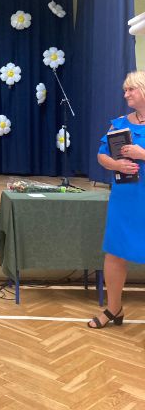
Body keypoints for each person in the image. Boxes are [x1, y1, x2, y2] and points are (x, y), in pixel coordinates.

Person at [88, 71, 145, 328]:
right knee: (114, 254)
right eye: (125, 90)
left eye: (130, 89)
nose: (126, 94)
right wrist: (117, 164)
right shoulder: (120, 123)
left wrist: (142, 154)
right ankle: (114, 309)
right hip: (125, 199)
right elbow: (102, 155)